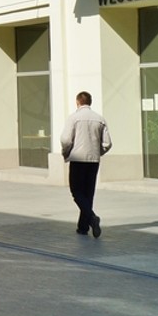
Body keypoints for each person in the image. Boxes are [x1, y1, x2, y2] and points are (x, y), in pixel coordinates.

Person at [60, 91, 112, 238]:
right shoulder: (100, 119)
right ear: (90, 102)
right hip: (93, 160)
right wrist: (98, 152)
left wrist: (66, 152)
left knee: (76, 192)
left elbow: (65, 140)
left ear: (78, 102)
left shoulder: (73, 118)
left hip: (77, 159)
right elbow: (107, 143)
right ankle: (83, 227)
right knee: (88, 193)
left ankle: (92, 218)